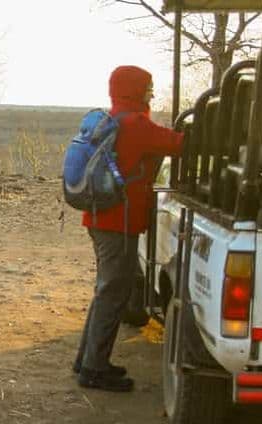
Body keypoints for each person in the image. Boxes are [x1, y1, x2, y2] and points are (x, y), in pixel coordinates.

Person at [72, 65, 184, 392]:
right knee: (112, 294)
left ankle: (87, 361)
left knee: (106, 291)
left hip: (102, 219)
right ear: (134, 89)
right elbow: (180, 144)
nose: (152, 92)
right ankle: (94, 369)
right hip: (117, 222)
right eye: (148, 87)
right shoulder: (136, 124)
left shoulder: (115, 120)